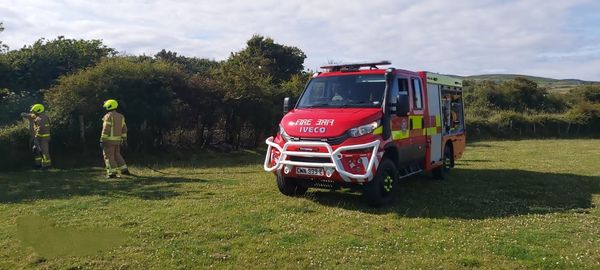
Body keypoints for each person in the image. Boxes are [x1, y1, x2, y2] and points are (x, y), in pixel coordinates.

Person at [100, 99, 130, 178]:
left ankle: (112, 173)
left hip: (109, 141)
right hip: (118, 141)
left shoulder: (108, 116)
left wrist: (102, 140)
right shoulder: (121, 116)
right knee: (117, 155)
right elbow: (124, 129)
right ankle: (124, 170)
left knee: (109, 156)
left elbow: (106, 129)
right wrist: (124, 139)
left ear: (109, 106)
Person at [21, 104, 51, 169]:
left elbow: (41, 130)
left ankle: (46, 166)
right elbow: (31, 115)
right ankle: (38, 165)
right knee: (36, 151)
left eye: (34, 111)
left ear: (38, 111)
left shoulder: (42, 119)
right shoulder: (38, 116)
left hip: (43, 138)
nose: (33, 112)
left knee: (44, 151)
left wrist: (37, 137)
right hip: (38, 137)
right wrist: (25, 114)